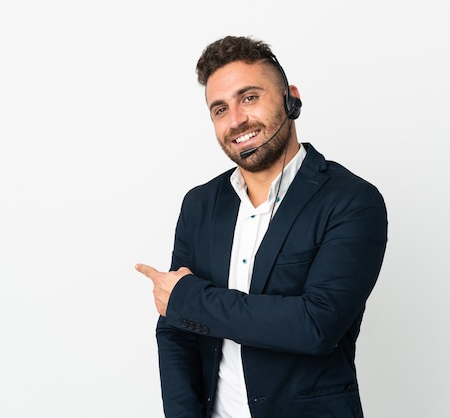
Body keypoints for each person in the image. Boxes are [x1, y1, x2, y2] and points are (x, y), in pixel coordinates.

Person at [136, 35, 388, 418]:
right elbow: (175, 330)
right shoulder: (200, 205)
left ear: (291, 98)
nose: (236, 120)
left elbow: (315, 325)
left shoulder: (352, 201)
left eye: (249, 97)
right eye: (220, 109)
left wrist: (189, 299)